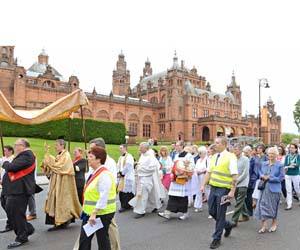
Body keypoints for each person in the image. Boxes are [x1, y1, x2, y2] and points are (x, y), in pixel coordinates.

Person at [200, 137, 238, 249]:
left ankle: (216, 238)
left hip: (224, 189)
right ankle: (228, 225)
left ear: (224, 144)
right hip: (213, 188)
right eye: (214, 142)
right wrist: (202, 185)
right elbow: (208, 172)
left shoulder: (231, 157)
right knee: (212, 211)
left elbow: (235, 175)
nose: (214, 145)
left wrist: (232, 191)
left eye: (217, 143)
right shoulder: (214, 156)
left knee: (221, 214)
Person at [78, 146, 116, 250]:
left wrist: (94, 213)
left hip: (101, 214)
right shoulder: (94, 172)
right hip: (91, 213)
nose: (88, 159)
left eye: (91, 156)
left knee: (102, 240)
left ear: (98, 159)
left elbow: (104, 196)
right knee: (84, 240)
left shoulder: (104, 175)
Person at [2, 139, 35, 248]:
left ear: (23, 146)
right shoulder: (23, 155)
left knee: (16, 213)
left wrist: (4, 162)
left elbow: (12, 167)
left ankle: (22, 237)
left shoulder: (27, 155)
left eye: (16, 145)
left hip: (20, 191)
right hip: (14, 190)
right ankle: (27, 228)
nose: (15, 147)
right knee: (11, 211)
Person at [41, 139, 81, 231]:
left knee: (62, 201)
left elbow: (60, 167)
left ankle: (63, 221)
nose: (55, 146)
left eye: (56, 145)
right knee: (55, 200)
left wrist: (48, 156)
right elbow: (54, 165)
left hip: (63, 183)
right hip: (56, 182)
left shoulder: (66, 155)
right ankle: (57, 222)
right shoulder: (60, 155)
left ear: (62, 145)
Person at [89, 137, 120, 250]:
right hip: (94, 203)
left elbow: (108, 186)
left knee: (107, 231)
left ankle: (115, 247)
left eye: (92, 149)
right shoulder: (93, 161)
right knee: (89, 231)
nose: (89, 152)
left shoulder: (109, 163)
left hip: (104, 205)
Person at [158, 140, 194, 220]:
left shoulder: (188, 155)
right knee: (172, 195)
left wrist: (185, 166)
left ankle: (185, 213)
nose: (176, 147)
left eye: (178, 145)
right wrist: (172, 174)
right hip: (175, 178)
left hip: (183, 179)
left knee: (183, 197)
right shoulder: (177, 155)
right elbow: (174, 165)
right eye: (176, 145)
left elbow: (191, 166)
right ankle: (167, 213)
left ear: (182, 146)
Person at [129, 142, 164, 218]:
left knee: (142, 195)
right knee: (152, 194)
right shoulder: (142, 155)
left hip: (147, 178)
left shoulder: (151, 157)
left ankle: (140, 211)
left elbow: (152, 168)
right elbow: (141, 164)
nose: (139, 149)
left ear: (146, 148)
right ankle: (156, 205)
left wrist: (140, 168)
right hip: (141, 177)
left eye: (141, 147)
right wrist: (138, 166)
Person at [254, 147, 284, 233]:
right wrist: (262, 176)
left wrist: (270, 178)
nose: (270, 155)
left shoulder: (279, 165)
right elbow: (259, 172)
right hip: (263, 188)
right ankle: (263, 226)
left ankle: (274, 224)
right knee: (262, 205)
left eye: (273, 154)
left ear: (276, 155)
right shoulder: (263, 163)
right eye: (269, 153)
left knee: (273, 207)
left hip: (274, 189)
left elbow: (281, 178)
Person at [231, 144, 249, 226]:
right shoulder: (233, 159)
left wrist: (237, 181)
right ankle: (245, 215)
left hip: (242, 183)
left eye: (236, 149)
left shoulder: (245, 159)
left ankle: (234, 221)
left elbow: (245, 173)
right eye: (233, 149)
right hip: (234, 183)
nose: (234, 151)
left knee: (238, 202)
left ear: (241, 150)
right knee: (240, 201)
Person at [116, 144, 135, 212]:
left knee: (127, 192)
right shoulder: (120, 157)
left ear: (125, 148)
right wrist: (118, 172)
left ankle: (127, 205)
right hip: (122, 176)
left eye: (121, 148)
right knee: (122, 191)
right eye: (119, 148)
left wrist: (122, 173)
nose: (120, 149)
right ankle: (124, 205)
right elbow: (118, 165)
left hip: (127, 176)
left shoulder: (129, 156)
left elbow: (128, 165)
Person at [0, 145, 14, 233]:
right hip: (4, 185)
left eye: (5, 151)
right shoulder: (4, 159)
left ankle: (10, 223)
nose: (4, 152)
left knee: (8, 205)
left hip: (10, 186)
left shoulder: (13, 160)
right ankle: (11, 221)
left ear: (11, 151)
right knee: (3, 203)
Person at [283, 143, 300, 210]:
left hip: (295, 174)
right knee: (288, 190)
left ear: (296, 149)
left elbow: (297, 165)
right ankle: (289, 204)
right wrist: (290, 165)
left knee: (297, 189)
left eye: (293, 147)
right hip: (288, 174)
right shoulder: (287, 156)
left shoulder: (298, 156)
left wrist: (289, 166)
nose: (291, 149)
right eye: (290, 147)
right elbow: (285, 165)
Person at [194, 146, 208, 212]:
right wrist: (196, 171)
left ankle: (211, 206)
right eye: (199, 153)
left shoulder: (207, 159)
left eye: (201, 153)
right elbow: (195, 167)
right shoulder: (198, 160)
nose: (199, 154)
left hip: (204, 176)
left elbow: (208, 169)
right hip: (198, 177)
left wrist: (201, 171)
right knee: (198, 191)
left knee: (207, 191)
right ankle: (198, 206)